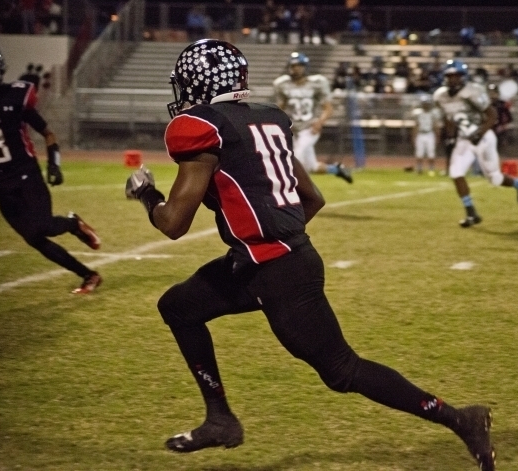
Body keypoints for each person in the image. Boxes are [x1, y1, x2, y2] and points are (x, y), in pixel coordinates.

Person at [125, 39, 496, 471]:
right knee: (178, 307)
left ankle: (460, 419)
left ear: (202, 84)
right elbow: (312, 198)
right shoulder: (269, 119)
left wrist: (147, 194)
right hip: (263, 261)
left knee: (342, 370)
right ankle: (220, 419)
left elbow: (173, 224)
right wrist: (272, 233)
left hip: (277, 270)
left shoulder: (201, 127)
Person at [0, 48, 102, 293]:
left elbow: (48, 133)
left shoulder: (14, 98)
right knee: (34, 238)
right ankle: (88, 275)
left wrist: (54, 163)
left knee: (42, 225)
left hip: (25, 177)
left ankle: (74, 224)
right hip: (1, 185)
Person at [433, 59, 518, 228]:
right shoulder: (440, 96)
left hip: (483, 137)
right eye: (449, 76)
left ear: (463, 77)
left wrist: (480, 132)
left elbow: (492, 116)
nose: (452, 79)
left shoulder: (473, 91)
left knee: (495, 179)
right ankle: (471, 213)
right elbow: (449, 118)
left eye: (456, 76)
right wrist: (450, 138)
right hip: (464, 139)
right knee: (455, 173)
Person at [273, 52, 353, 183]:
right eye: (293, 66)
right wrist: (282, 123)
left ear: (305, 67)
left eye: (299, 65)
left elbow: (328, 108)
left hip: (309, 127)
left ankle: (297, 191)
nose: (296, 68)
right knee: (313, 167)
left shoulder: (316, 83)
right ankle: (338, 169)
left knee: (297, 156)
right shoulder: (282, 84)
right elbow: (280, 107)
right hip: (293, 129)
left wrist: (319, 122)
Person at [411, 95, 440, 175]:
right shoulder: (418, 113)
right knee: (419, 153)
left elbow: (435, 125)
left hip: (429, 133)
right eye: (424, 103)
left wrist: (437, 135)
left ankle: (431, 168)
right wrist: (414, 136)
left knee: (431, 152)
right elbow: (416, 125)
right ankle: (419, 168)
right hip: (421, 134)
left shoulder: (433, 113)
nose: (426, 105)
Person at [487, 84, 513, 153]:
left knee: (498, 150)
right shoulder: (485, 104)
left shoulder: (502, 104)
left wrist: (503, 126)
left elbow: (509, 117)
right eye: (490, 92)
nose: (492, 95)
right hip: (487, 130)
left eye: (494, 92)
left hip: (499, 130)